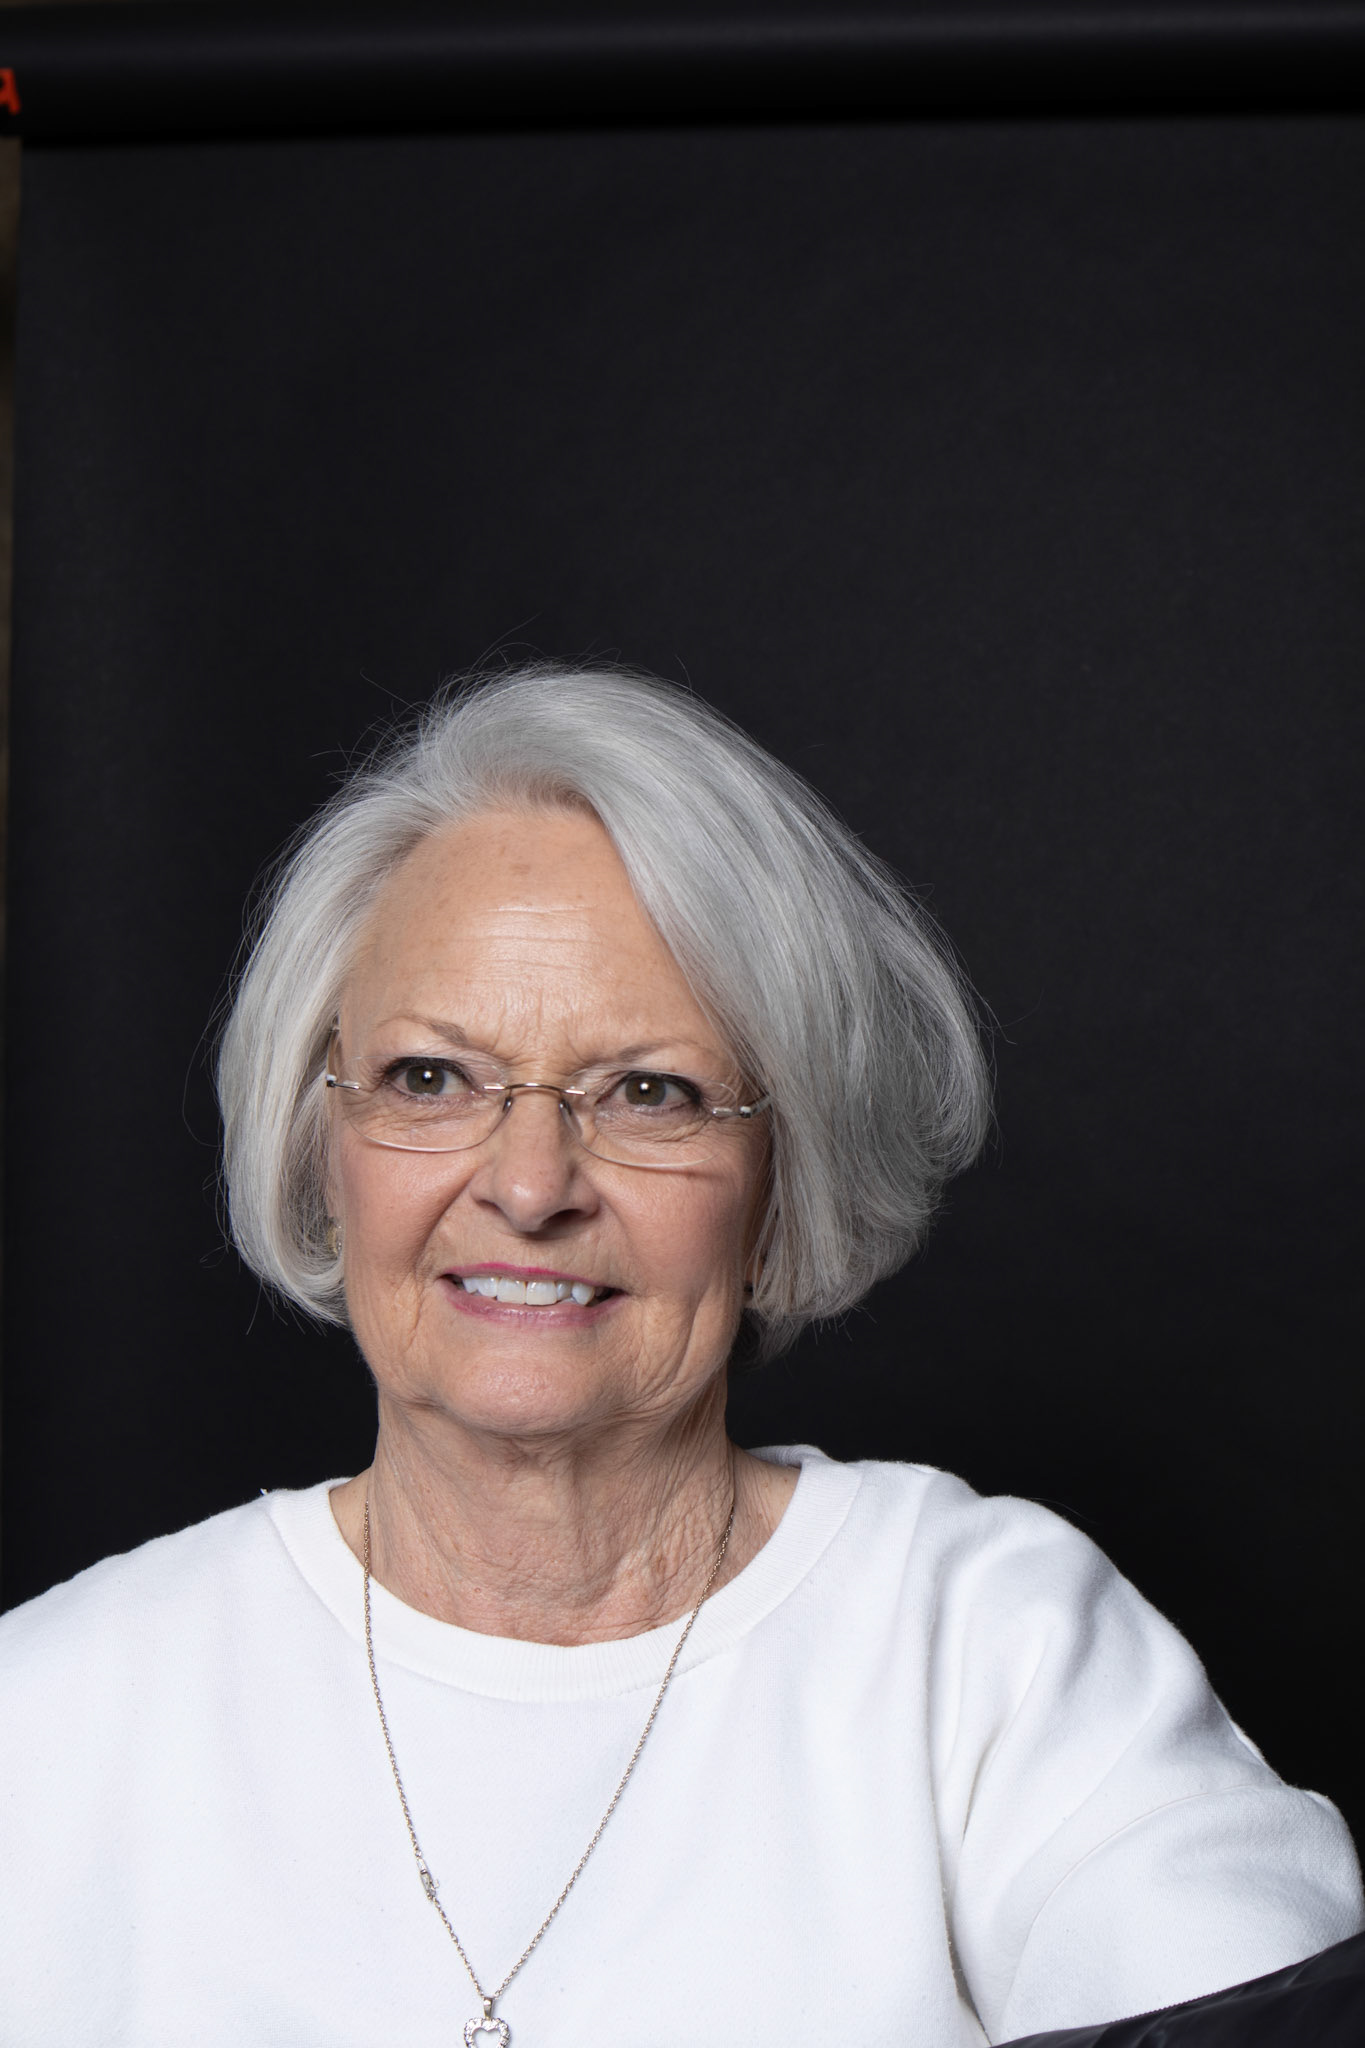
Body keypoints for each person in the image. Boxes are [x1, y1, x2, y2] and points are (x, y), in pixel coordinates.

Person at [1, 664, 1360, 2047]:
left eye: (649, 1092)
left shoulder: (986, 1649)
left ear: (785, 1177)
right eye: (430, 1078)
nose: (529, 1184)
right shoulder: (50, 1711)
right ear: (318, 1144)